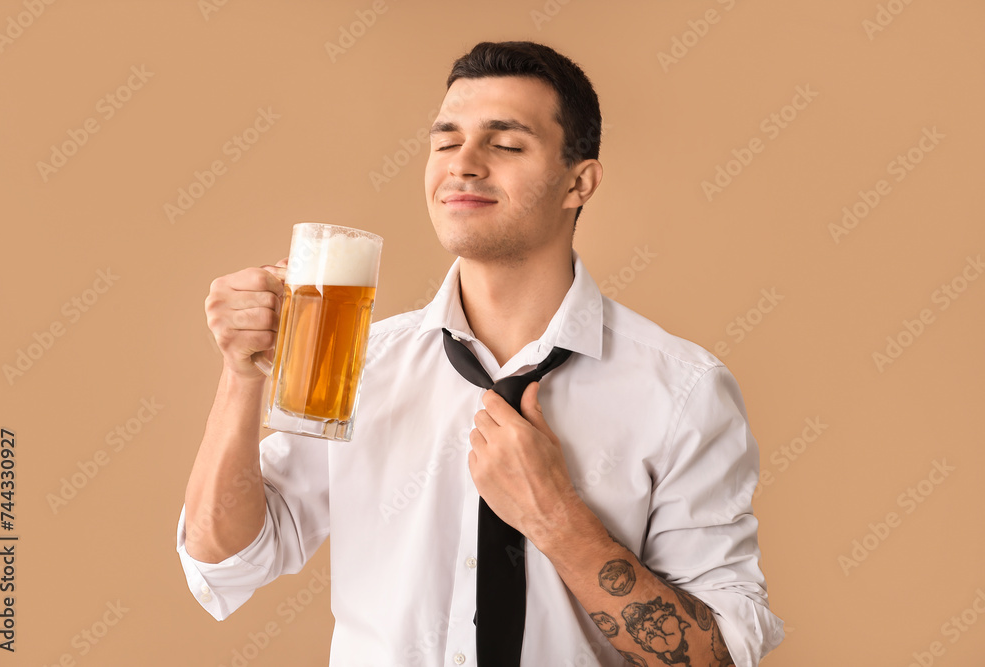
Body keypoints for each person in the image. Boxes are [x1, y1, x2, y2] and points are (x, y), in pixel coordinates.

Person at [176, 40, 784, 667]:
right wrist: (239, 377)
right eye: (445, 142)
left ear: (580, 181)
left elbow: (720, 657)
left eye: (506, 144)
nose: (463, 165)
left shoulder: (682, 390)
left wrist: (558, 520)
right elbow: (224, 558)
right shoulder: (360, 365)